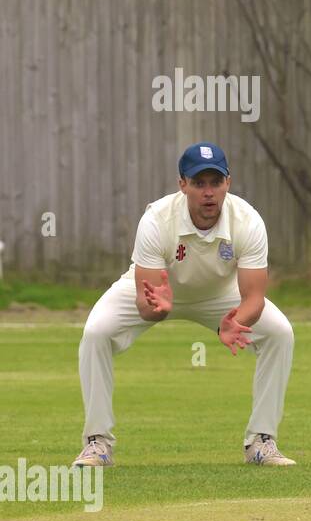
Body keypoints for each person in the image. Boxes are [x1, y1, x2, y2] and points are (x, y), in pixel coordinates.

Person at [74, 143, 296, 468]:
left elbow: (254, 297)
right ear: (183, 185)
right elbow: (143, 300)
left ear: (228, 183)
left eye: (215, 182)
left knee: (280, 333)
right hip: (159, 290)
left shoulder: (247, 221)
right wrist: (158, 308)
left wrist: (234, 322)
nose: (209, 192)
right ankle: (98, 443)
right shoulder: (156, 220)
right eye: (199, 183)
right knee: (95, 332)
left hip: (221, 293)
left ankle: (261, 442)